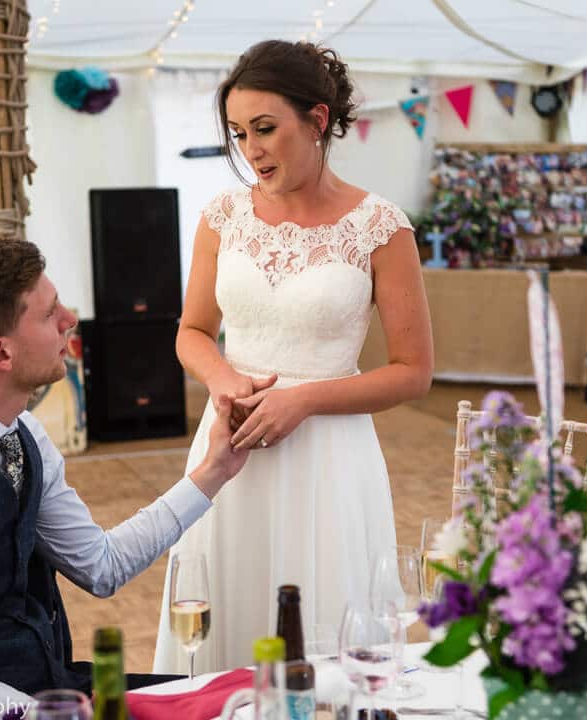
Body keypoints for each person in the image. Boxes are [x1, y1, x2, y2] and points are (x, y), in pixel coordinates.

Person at [0, 239, 251, 717]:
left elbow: (101, 565)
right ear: (1, 354)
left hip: (48, 691)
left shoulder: (20, 430)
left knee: (245, 697)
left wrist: (213, 471)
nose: (70, 319)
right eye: (50, 312)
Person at [152, 40, 433, 673]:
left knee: (323, 633)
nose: (250, 150)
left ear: (318, 120)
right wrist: (224, 379)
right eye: (238, 133)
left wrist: (302, 399)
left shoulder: (381, 227)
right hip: (231, 447)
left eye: (265, 129)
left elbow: (413, 372)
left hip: (329, 461)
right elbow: (192, 330)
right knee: (224, 608)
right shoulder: (221, 217)